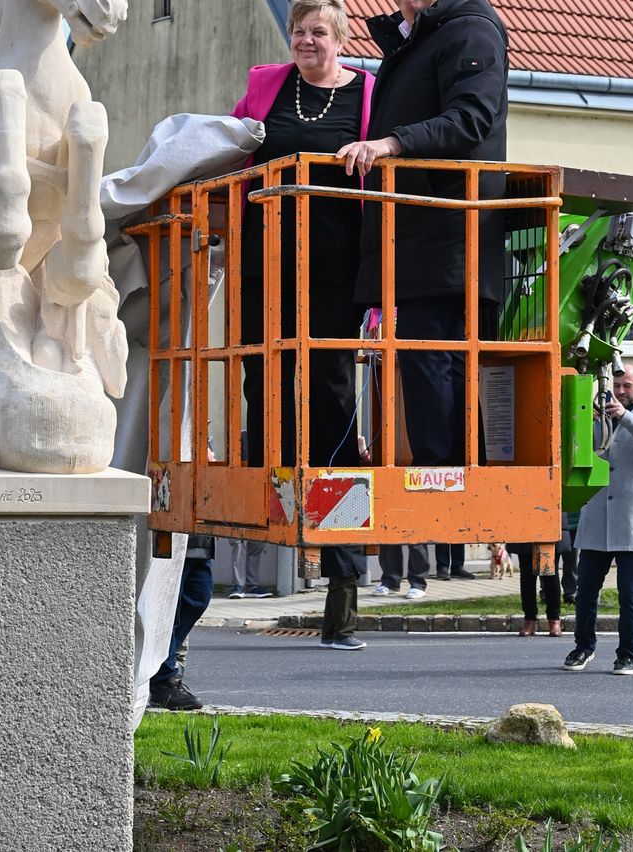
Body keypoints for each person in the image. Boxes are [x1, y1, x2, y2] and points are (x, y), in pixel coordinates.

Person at [231, 0, 375, 651]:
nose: (307, 41)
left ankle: (342, 593)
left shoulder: (367, 94)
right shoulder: (267, 84)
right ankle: (267, 521)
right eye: (299, 32)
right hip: (265, 266)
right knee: (261, 384)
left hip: (336, 274)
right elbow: (227, 145)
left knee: (335, 400)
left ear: (341, 40)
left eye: (319, 32)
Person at [344, 0, 509, 472]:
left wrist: (392, 143)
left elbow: (471, 118)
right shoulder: (418, 37)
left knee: (439, 364)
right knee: (426, 363)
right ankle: (444, 480)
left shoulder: (470, 31)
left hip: (450, 236)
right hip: (420, 236)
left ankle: (450, 484)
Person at [563, 365, 633, 676]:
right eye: (616, 386)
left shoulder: (631, 416)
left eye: (627, 386)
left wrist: (624, 416)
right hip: (597, 516)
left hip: (632, 520)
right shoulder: (600, 416)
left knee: (630, 594)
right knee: (585, 591)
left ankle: (627, 655)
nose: (620, 391)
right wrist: (586, 421)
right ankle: (583, 647)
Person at [149, 535, 215, 710]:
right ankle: (162, 682)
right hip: (172, 540)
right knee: (170, 612)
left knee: (199, 598)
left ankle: (159, 663)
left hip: (200, 541)